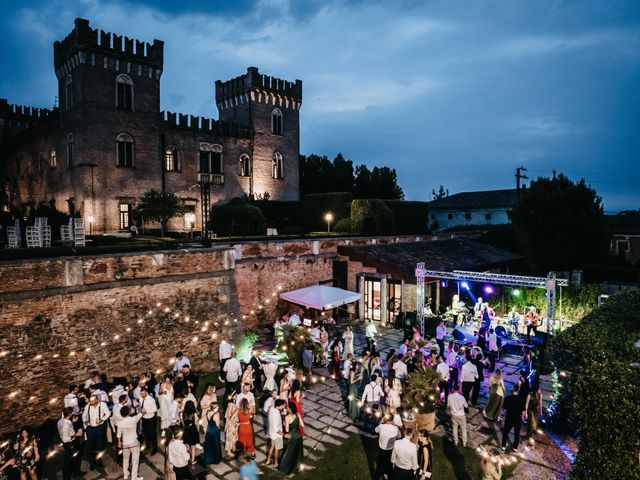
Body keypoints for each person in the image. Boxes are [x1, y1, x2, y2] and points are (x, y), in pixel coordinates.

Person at [82, 393, 110, 470]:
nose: (90, 402)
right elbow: (84, 415)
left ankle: (99, 462)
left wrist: (102, 419)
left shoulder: (103, 405)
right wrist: (85, 421)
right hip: (90, 428)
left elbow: (108, 413)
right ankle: (92, 463)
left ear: (97, 400)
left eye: (92, 401)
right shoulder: (87, 406)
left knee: (99, 446)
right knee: (90, 447)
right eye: (90, 401)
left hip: (99, 428)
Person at [116, 405, 142, 480]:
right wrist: (138, 407)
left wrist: (119, 442)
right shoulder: (133, 419)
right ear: (129, 412)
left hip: (125, 443)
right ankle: (134, 477)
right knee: (135, 460)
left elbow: (118, 434)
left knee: (125, 459)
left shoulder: (120, 423)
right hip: (133, 442)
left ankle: (125, 474)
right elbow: (140, 414)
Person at [279, 401, 304, 475]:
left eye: (287, 407)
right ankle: (296, 467)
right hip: (298, 435)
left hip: (291, 437)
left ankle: (284, 468)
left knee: (288, 453)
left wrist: (284, 423)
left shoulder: (287, 417)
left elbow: (287, 430)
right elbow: (302, 425)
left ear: (290, 409)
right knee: (297, 452)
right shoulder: (298, 414)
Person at [58, 407, 83, 480]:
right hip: (69, 444)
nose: (72, 414)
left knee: (73, 458)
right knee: (68, 462)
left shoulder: (60, 421)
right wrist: (77, 434)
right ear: (69, 414)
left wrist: (73, 422)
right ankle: (66, 478)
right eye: (71, 413)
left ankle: (76, 473)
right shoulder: (66, 425)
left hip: (69, 443)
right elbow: (66, 439)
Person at [374, 414, 400, 480]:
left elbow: (375, 430)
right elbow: (399, 436)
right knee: (389, 465)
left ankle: (376, 477)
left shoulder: (381, 426)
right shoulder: (395, 429)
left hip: (382, 448)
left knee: (380, 464)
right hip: (390, 449)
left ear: (385, 419)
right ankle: (388, 476)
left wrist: (381, 422)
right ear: (392, 420)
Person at [501, 386, 523, 452]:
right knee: (517, 433)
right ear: (518, 390)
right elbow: (523, 409)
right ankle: (515, 447)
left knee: (505, 432)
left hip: (509, 417)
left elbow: (504, 407)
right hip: (518, 418)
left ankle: (503, 446)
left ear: (513, 389)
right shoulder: (521, 399)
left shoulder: (508, 398)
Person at [266, 399, 286, 469]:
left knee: (272, 447)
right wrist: (283, 434)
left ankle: (268, 460)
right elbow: (276, 428)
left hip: (271, 434)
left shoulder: (272, 409)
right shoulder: (276, 415)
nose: (283, 407)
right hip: (277, 435)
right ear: (278, 406)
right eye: (282, 406)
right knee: (277, 450)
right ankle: (275, 463)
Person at [139, 386, 158, 455]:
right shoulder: (141, 399)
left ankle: (155, 449)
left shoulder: (151, 400)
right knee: (146, 433)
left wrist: (147, 411)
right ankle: (148, 445)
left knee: (152, 434)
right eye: (141, 393)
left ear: (147, 393)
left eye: (143, 393)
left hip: (151, 418)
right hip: (144, 418)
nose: (142, 395)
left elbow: (155, 409)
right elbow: (141, 406)